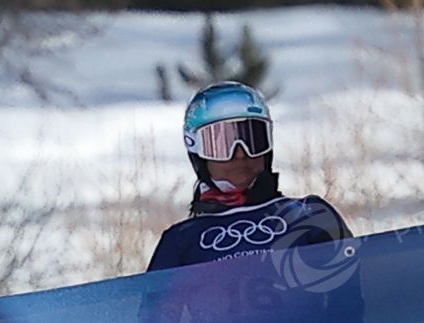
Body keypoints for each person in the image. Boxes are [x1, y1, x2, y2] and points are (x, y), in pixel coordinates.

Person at [147, 82, 352, 272]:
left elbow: (356, 286)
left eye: (253, 139)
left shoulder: (310, 215)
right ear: (198, 153)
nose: (240, 154)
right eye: (221, 144)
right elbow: (155, 301)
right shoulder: (181, 240)